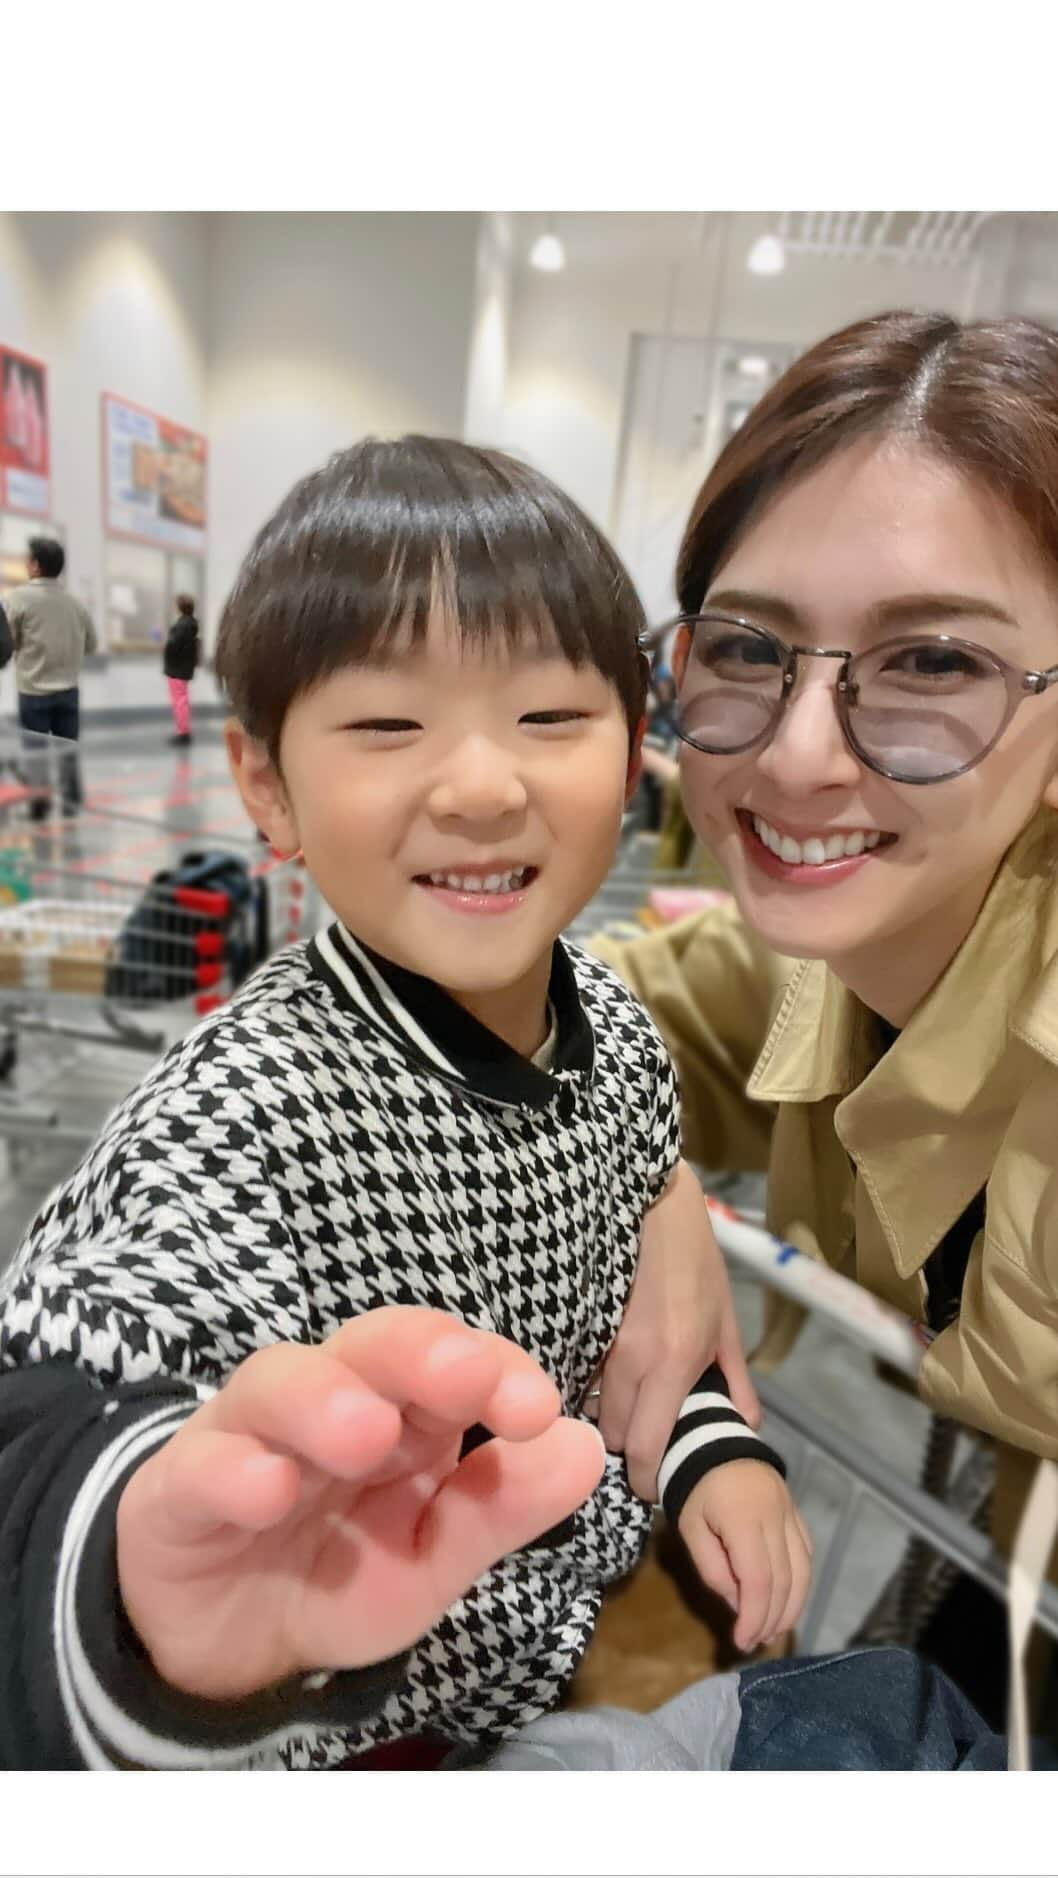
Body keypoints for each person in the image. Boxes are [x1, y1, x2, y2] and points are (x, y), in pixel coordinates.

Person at [0, 436, 810, 1771]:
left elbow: (634, 1323)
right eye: (386, 724)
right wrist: (121, 1601)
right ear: (268, 787)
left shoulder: (608, 1024)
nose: (484, 784)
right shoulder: (248, 1113)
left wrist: (715, 1453)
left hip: (573, 1623)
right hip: (346, 1721)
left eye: (550, 718)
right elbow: (82, 1375)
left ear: (630, 755)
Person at [591, 310, 1058, 1729]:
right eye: (745, 646)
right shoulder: (806, 970)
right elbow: (541, 1011)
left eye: (928, 665)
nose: (796, 755)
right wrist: (648, 1176)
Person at [5, 535, 97, 814]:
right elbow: (91, 645)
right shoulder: (76, 604)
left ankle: (40, 804)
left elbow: (6, 642)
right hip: (69, 689)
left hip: (33, 690)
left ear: (35, 565)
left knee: (35, 753)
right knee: (68, 749)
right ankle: (72, 802)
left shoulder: (17, 599)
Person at [162, 591, 200, 747]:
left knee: (179, 701)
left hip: (177, 669)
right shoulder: (191, 624)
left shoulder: (182, 625)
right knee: (181, 700)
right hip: (183, 669)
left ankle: (183, 733)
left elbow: (173, 646)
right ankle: (183, 730)